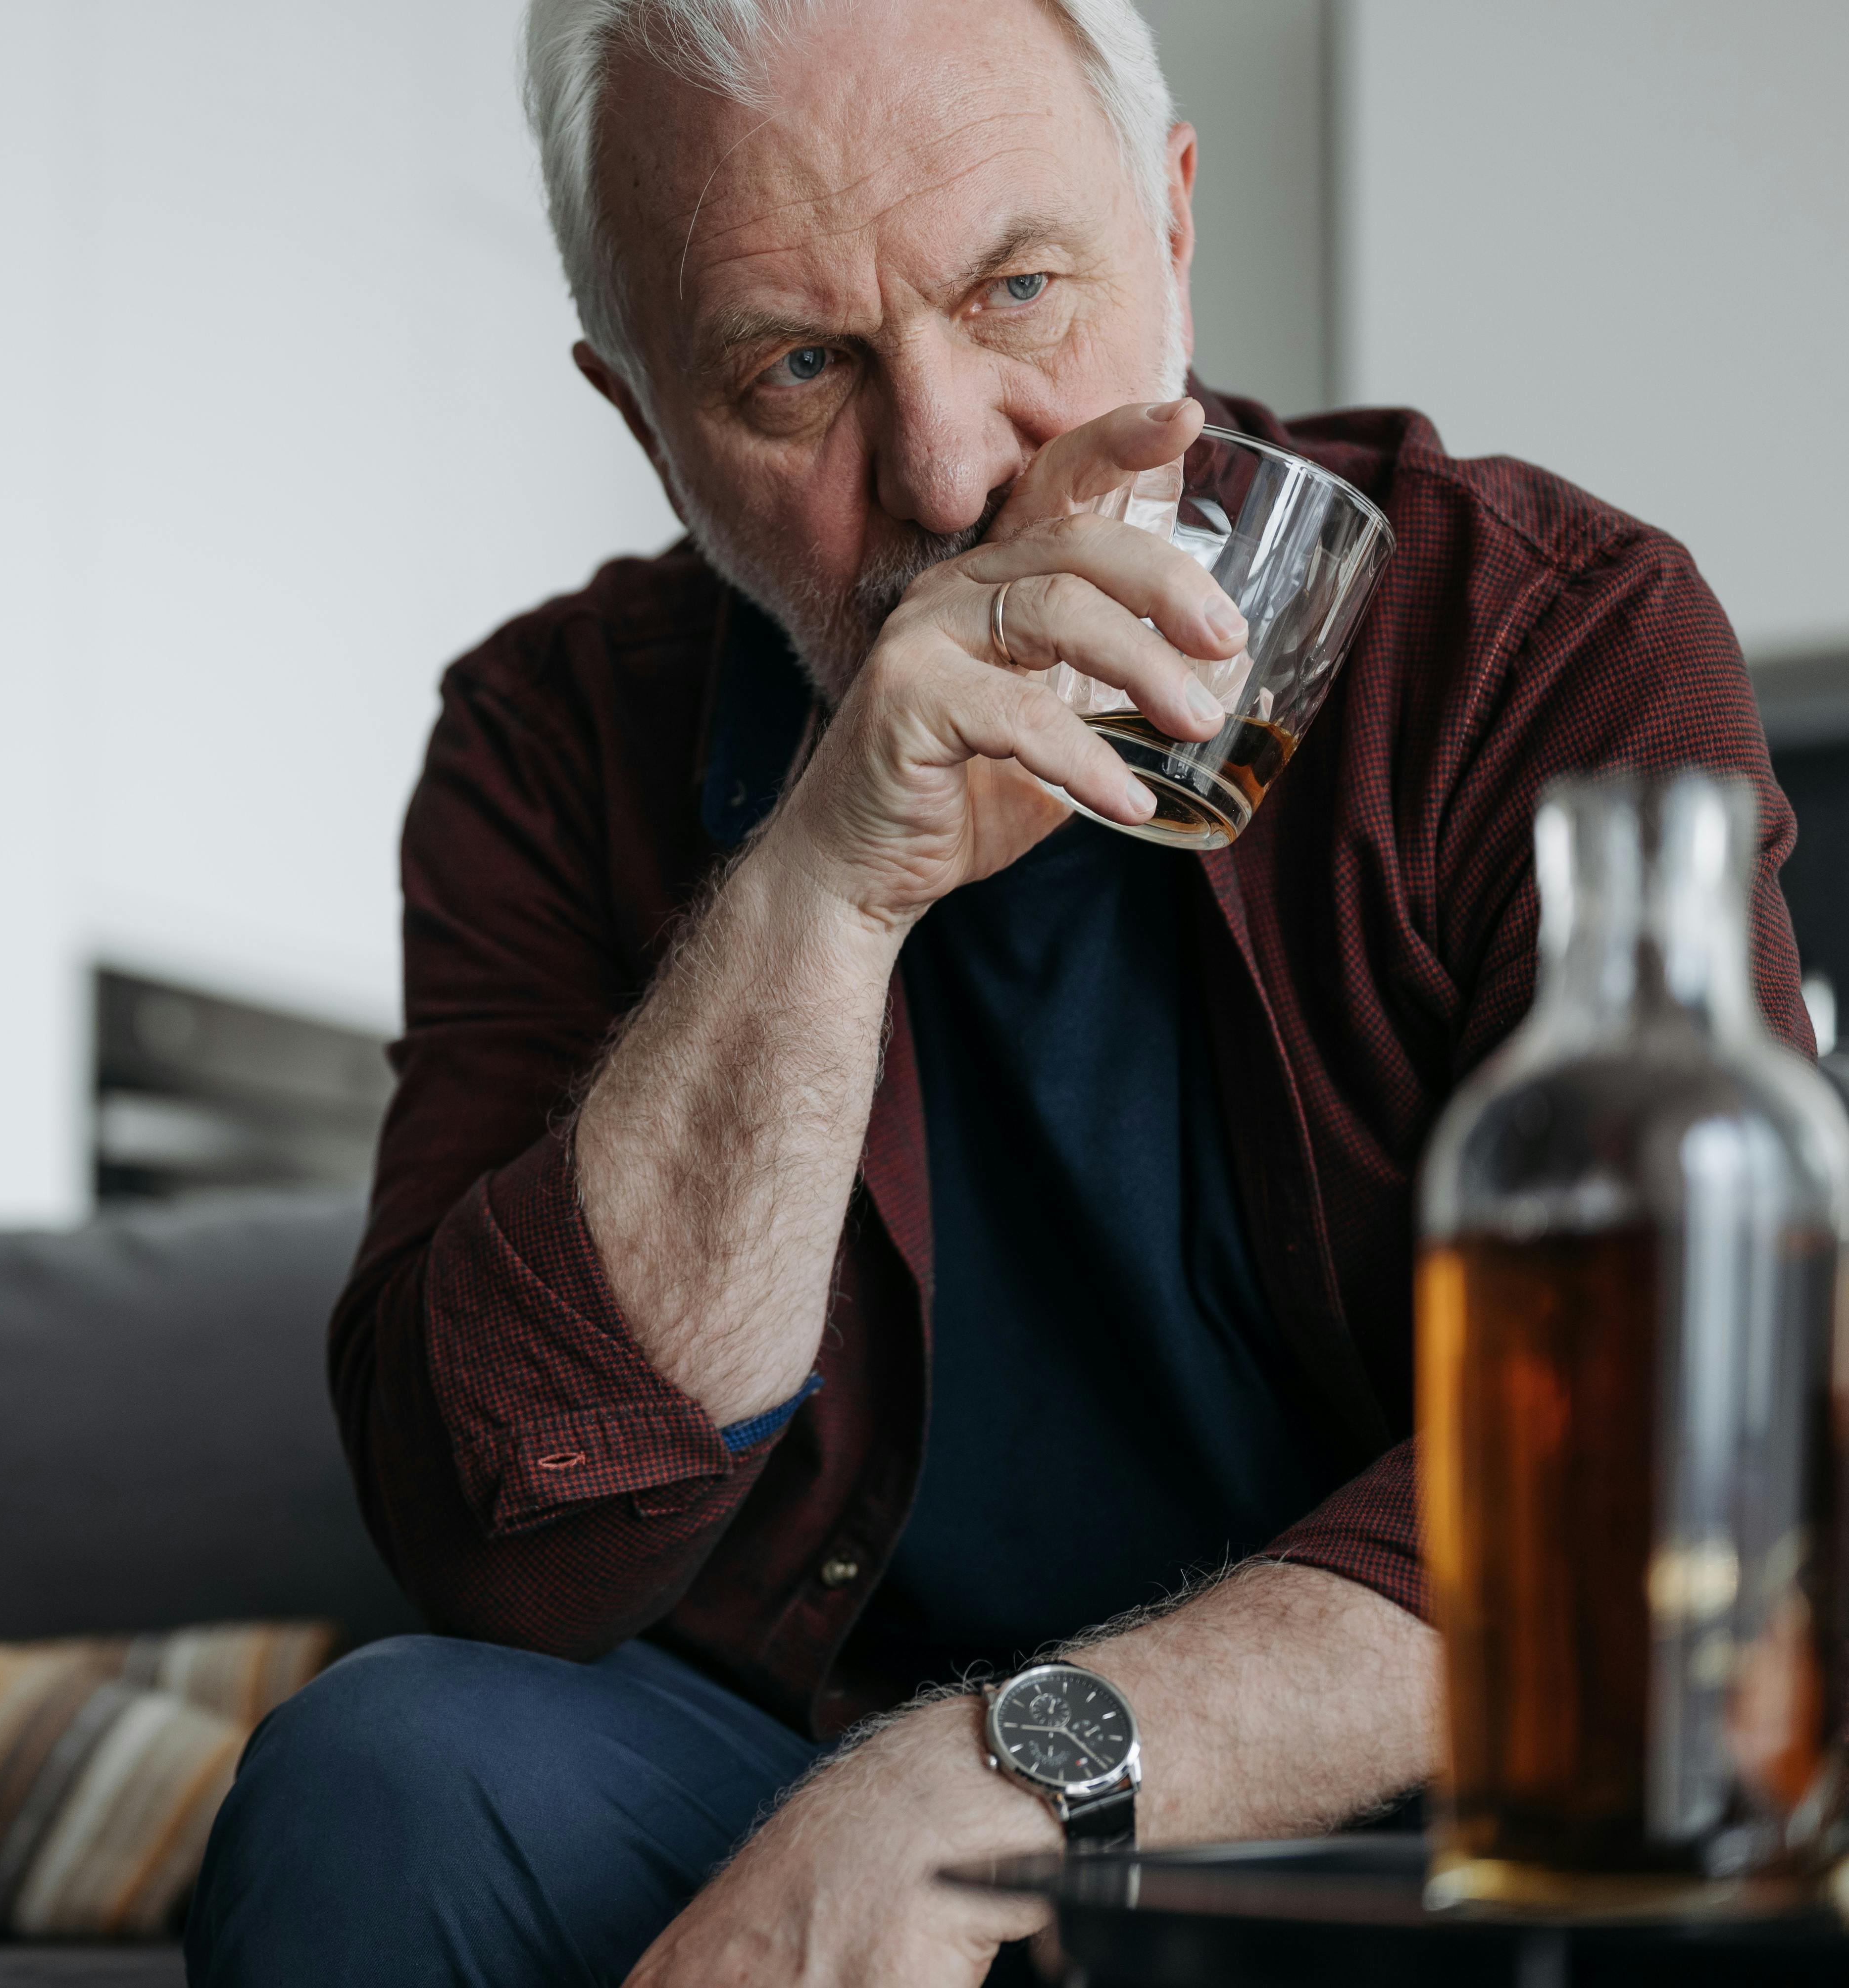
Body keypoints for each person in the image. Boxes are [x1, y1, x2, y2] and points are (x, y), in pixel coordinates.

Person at [186, 0, 1806, 1983]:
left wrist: (993, 1778)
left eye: (1022, 289)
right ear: (639, 419)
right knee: (384, 1777)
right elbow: (504, 1533)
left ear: (1176, 226)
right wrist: (822, 884)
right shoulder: (545, 742)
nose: (949, 471)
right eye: (797, 367)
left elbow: (1661, 1485)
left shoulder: (1538, 638)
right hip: (768, 1760)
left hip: (1396, 1804)